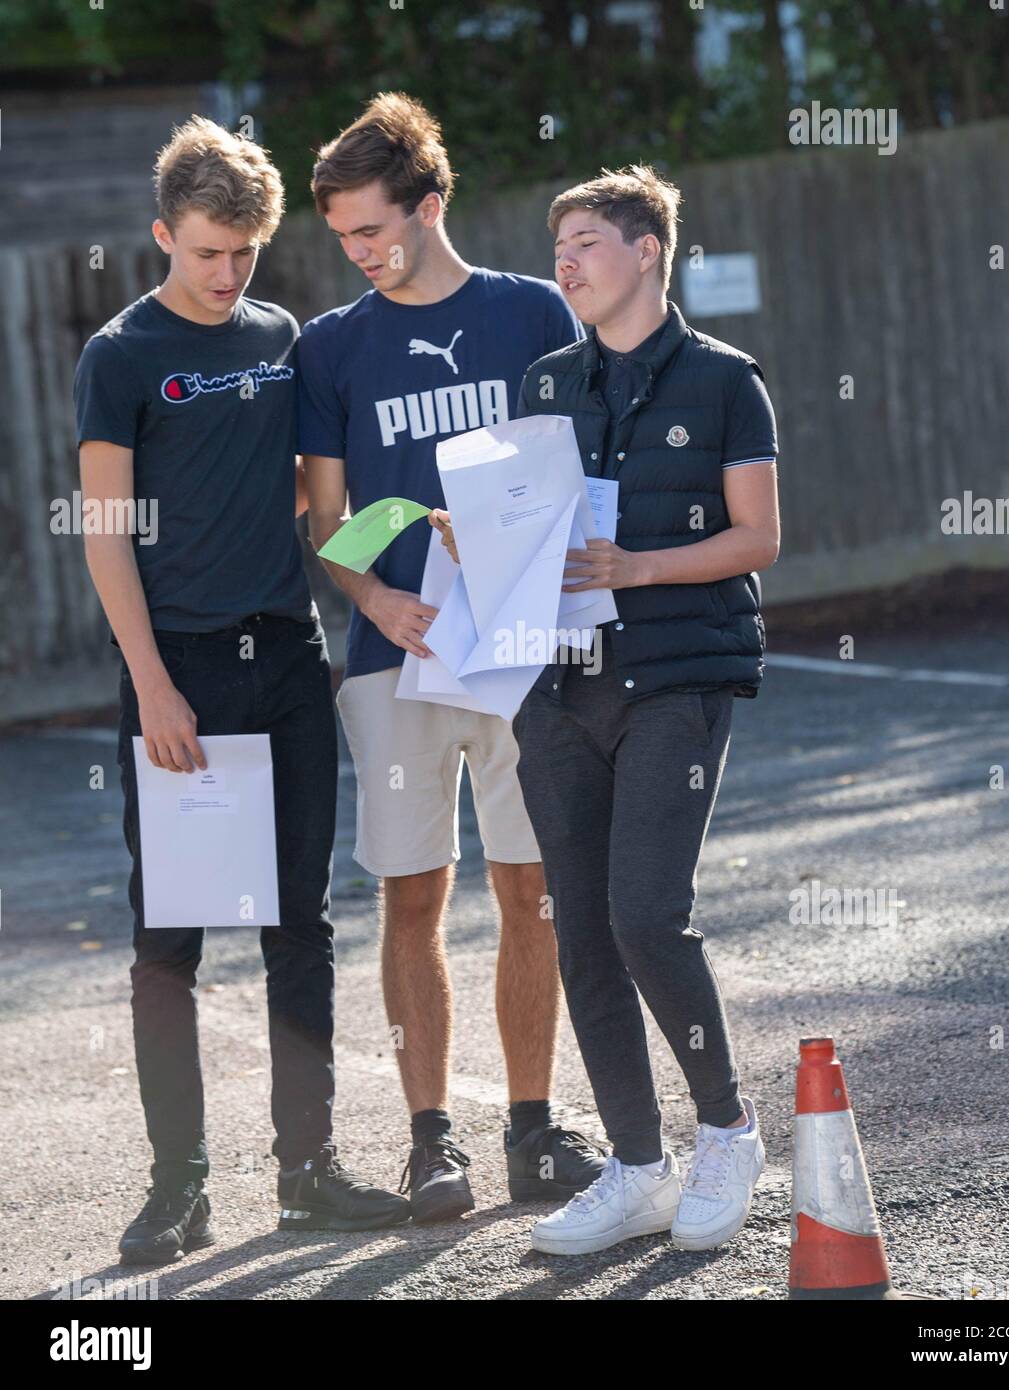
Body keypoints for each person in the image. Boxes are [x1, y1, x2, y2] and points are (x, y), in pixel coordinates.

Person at [73, 116, 410, 1265]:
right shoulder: (118, 355)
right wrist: (153, 689)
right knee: (171, 940)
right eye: (208, 251)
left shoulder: (284, 337)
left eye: (246, 253)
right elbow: (107, 541)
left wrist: (422, 527)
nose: (227, 276)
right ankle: (180, 1189)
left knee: (298, 925)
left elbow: (327, 512)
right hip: (182, 675)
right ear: (165, 233)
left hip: (290, 662)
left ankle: (308, 1171)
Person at [438, 163, 781, 1254]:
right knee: (577, 926)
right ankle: (637, 1164)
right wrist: (477, 540)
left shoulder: (729, 379)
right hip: (555, 685)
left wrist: (633, 565)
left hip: (677, 680)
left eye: (586, 240)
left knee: (644, 914)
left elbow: (757, 540)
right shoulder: (541, 383)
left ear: (646, 250)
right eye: (558, 245)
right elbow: (527, 530)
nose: (566, 261)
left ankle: (726, 1130)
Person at [297, 93, 607, 1223]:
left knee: (533, 896)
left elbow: (579, 465)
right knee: (411, 901)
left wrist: (531, 548)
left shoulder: (533, 315)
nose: (362, 253)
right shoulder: (331, 346)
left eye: (375, 228)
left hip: (524, 650)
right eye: (342, 239)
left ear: (431, 205)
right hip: (395, 652)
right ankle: (431, 1142)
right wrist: (383, 578)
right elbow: (329, 520)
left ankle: (533, 1130)